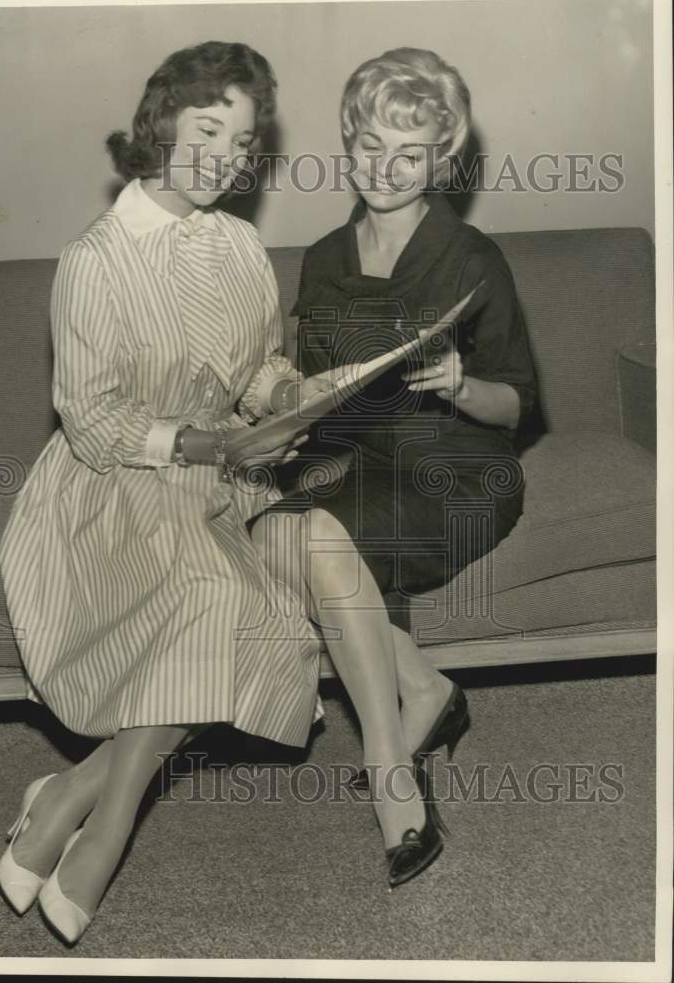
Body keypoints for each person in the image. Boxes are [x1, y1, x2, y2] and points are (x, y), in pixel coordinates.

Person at [0, 40, 331, 945]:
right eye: (208, 128)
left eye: (244, 137)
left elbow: (255, 369)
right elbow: (93, 424)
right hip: (109, 488)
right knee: (215, 600)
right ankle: (108, 830)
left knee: (250, 619)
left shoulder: (241, 245)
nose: (227, 154)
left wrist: (286, 396)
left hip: (215, 481)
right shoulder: (95, 261)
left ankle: (73, 791)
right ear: (161, 127)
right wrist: (207, 441)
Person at [250, 47, 537, 889]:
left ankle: (389, 770)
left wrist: (463, 384)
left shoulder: (472, 256)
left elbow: (520, 403)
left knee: (315, 537)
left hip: (460, 464)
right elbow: (318, 392)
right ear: (348, 140)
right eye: (369, 145)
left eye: (407, 154)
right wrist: (283, 412)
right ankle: (427, 691)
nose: (384, 168)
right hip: (357, 461)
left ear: (441, 161)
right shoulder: (324, 257)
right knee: (273, 531)